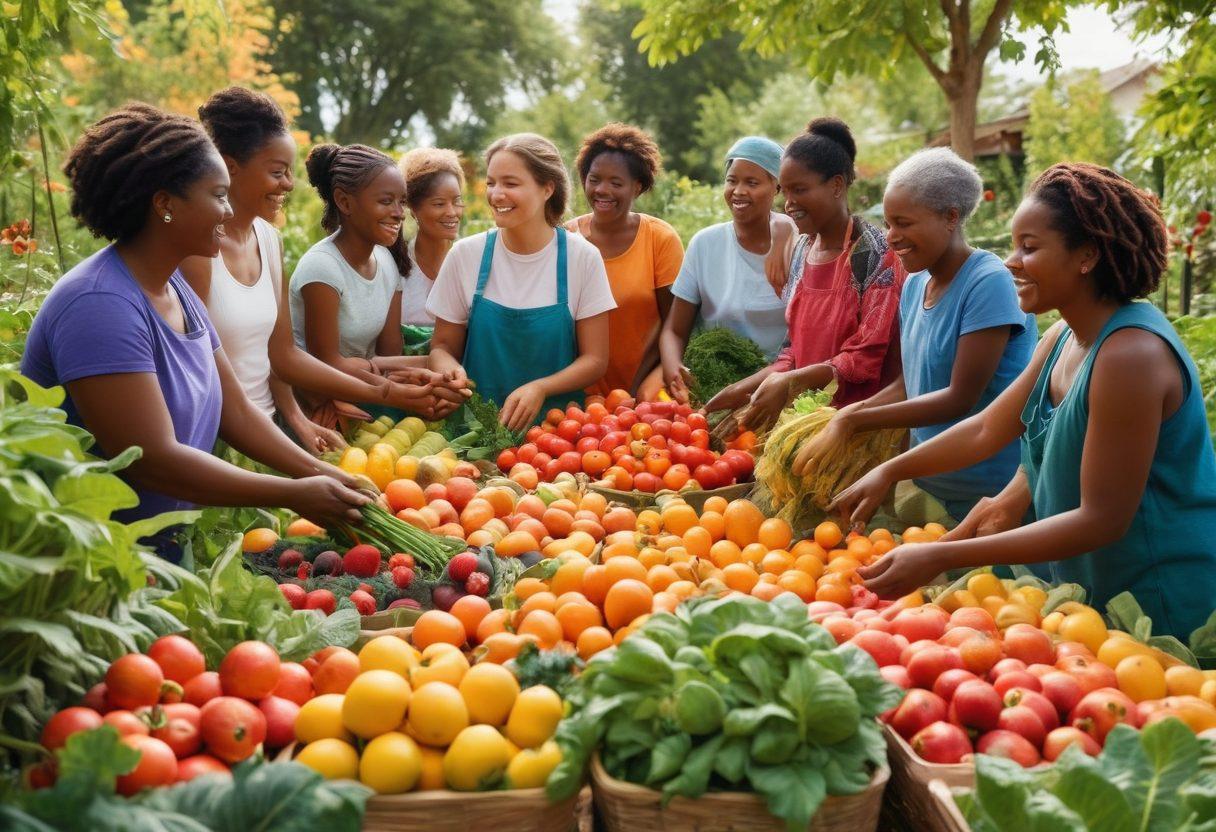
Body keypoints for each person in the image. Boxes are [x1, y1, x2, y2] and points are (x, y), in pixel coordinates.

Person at [835, 163, 1216, 639]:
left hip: (1158, 605)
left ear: (1087, 256)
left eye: (1030, 248)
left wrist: (942, 554)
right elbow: (987, 429)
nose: (1011, 261)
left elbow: (1102, 520)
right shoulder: (1062, 336)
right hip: (1091, 598)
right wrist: (893, 470)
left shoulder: (1130, 355)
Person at [21, 103, 369, 543]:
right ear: (164, 203)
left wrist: (322, 473)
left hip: (159, 547)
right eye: (217, 195)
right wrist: (295, 493)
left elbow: (235, 409)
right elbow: (152, 459)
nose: (228, 211)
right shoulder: (99, 305)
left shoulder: (175, 288)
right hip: (95, 560)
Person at [792, 148, 1036, 521]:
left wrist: (853, 421)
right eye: (888, 224)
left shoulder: (989, 283)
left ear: (950, 217)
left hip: (988, 496)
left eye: (904, 223)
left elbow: (958, 398)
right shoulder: (914, 283)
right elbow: (911, 384)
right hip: (927, 484)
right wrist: (842, 415)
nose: (891, 237)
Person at [705, 119, 906, 429]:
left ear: (837, 185)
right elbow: (793, 351)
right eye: (785, 192)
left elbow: (866, 356)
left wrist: (790, 382)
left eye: (800, 190)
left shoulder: (876, 255)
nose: (789, 204)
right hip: (805, 421)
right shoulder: (802, 251)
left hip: (860, 427)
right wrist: (739, 392)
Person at [427, 133, 616, 431]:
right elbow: (441, 346)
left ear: (547, 188)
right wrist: (449, 370)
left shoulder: (582, 258)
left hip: (556, 437)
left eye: (510, 183)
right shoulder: (466, 255)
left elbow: (595, 360)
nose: (496, 194)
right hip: (472, 432)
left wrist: (540, 388)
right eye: (491, 183)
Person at [290, 143, 463, 418]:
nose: (398, 213)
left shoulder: (385, 261)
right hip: (316, 407)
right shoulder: (322, 268)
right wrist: (389, 385)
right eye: (386, 201)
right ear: (344, 202)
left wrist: (439, 371)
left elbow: (386, 357)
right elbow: (325, 364)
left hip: (361, 398)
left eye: (401, 202)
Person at [659, 136, 793, 403]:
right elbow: (674, 330)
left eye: (752, 183)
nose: (738, 191)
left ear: (777, 187)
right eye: (732, 180)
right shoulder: (705, 243)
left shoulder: (798, 246)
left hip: (775, 388)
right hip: (710, 385)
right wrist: (673, 368)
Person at [566, 123, 684, 399]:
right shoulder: (566, 239)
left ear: (638, 187)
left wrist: (641, 388)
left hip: (648, 384)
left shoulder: (660, 239)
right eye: (594, 179)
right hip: (579, 390)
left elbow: (675, 325)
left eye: (616, 183)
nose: (602, 190)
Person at [398, 147, 465, 329]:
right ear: (413, 209)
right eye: (439, 204)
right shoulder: (396, 267)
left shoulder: (470, 262)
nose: (452, 212)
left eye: (457, 201)